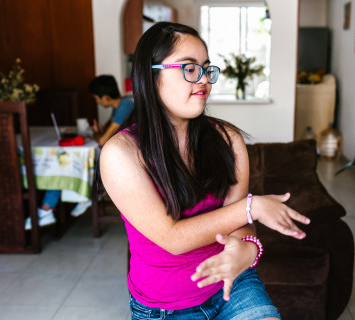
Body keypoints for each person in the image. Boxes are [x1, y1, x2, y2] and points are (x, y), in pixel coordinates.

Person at [99, 22, 310, 320]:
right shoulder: (121, 154)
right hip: (164, 308)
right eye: (189, 68)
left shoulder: (228, 140)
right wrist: (253, 207)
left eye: (207, 69)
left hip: (232, 286)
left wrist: (247, 250)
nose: (203, 81)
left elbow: (240, 223)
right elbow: (172, 238)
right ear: (150, 74)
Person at [25, 76, 134, 230]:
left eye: (96, 98)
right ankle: (52, 207)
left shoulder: (126, 106)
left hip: (122, 163)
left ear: (106, 97)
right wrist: (98, 133)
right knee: (64, 164)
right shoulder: (119, 106)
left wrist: (98, 134)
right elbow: (104, 133)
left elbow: (102, 140)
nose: (97, 102)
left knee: (65, 164)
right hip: (113, 157)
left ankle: (66, 202)